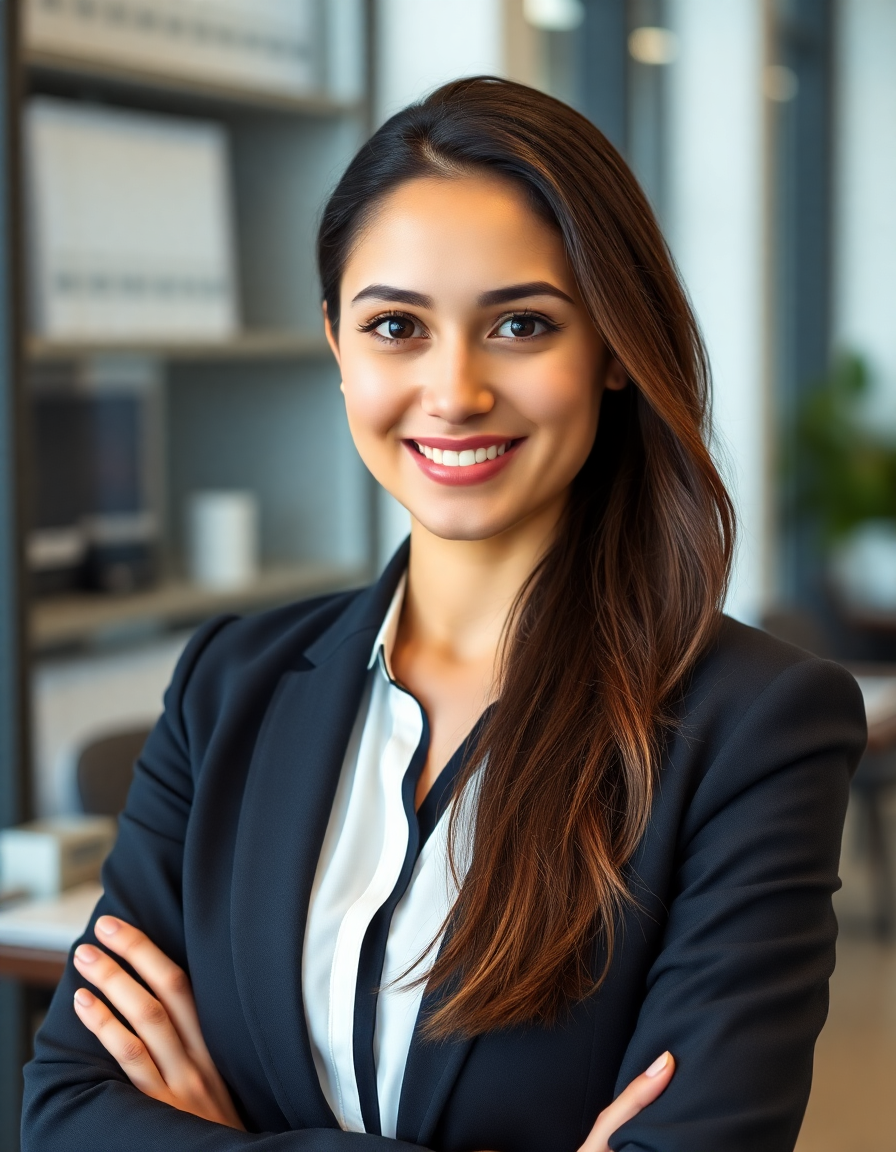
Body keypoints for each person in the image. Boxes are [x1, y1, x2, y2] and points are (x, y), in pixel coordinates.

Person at [22, 77, 866, 1152]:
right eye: (395, 327)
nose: (454, 390)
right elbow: (65, 1111)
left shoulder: (754, 726)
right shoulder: (227, 684)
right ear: (336, 345)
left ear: (609, 347)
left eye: (519, 324)